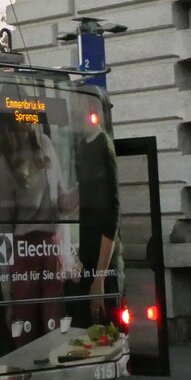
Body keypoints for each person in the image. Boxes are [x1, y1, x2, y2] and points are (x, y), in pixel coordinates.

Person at [0, 120, 76, 346]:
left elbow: (62, 204)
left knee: (56, 327)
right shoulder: (6, 163)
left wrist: (86, 185)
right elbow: (2, 225)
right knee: (25, 328)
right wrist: (5, 288)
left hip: (50, 247)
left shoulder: (46, 145)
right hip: (23, 249)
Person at [73, 96, 121, 324]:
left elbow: (111, 218)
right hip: (88, 260)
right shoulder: (82, 145)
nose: (72, 111)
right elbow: (83, 192)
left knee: (105, 328)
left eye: (76, 105)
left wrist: (100, 279)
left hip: (104, 265)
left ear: (89, 109)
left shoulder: (103, 145)